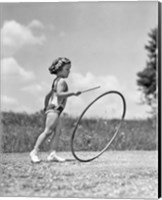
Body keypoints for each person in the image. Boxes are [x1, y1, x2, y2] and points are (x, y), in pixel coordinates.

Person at [30, 57, 81, 163]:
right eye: (67, 69)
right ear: (60, 70)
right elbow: (59, 95)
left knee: (57, 131)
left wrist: (46, 108)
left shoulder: (56, 81)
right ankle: (34, 151)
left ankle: (52, 153)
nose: (69, 72)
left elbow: (48, 96)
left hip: (54, 110)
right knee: (48, 131)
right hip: (55, 110)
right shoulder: (61, 81)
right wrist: (73, 93)